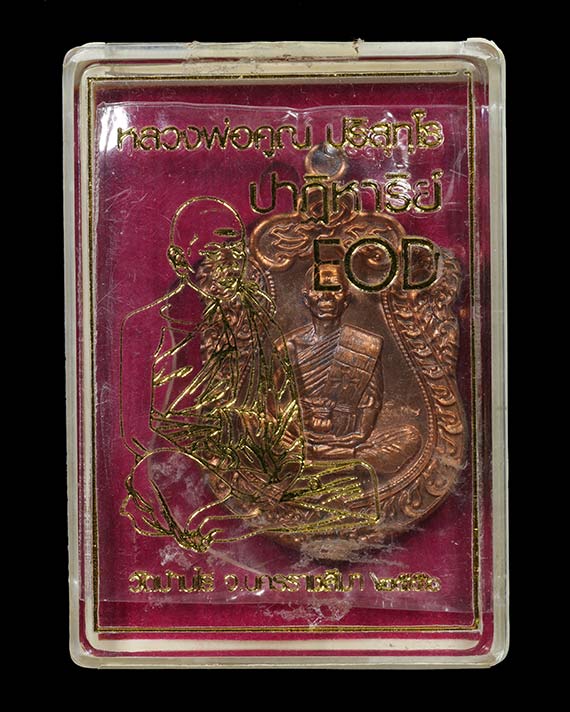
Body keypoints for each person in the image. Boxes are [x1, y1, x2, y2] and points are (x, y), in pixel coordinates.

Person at [277, 263, 421, 474]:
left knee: (410, 436)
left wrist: (357, 436)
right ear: (306, 299)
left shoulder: (365, 346)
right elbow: (276, 405)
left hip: (349, 439)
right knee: (249, 428)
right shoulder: (287, 348)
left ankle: (317, 459)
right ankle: (348, 461)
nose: (326, 297)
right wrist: (304, 420)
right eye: (319, 289)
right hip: (301, 436)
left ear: (346, 299)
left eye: (335, 289)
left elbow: (372, 402)